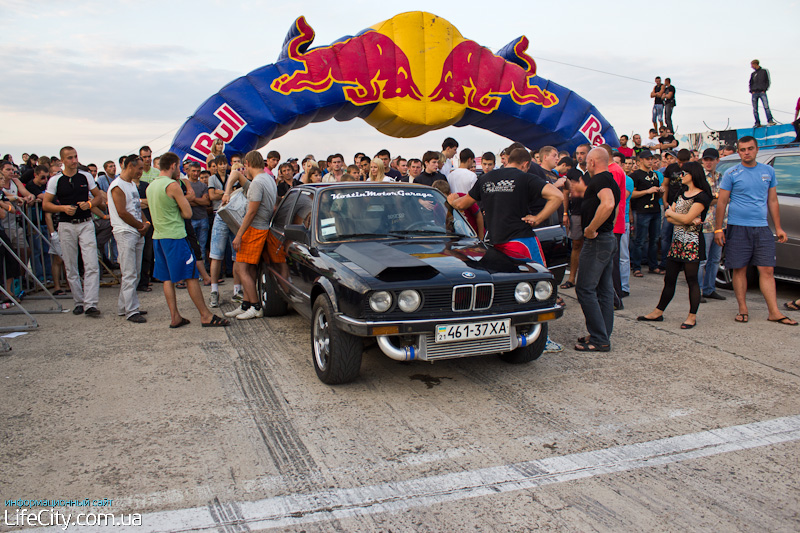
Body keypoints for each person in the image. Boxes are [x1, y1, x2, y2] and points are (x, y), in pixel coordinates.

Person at [714, 136, 796, 326]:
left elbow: (772, 200)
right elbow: (722, 202)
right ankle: (743, 308)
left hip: (762, 228)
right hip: (738, 227)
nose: (746, 152)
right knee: (740, 269)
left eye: (750, 149)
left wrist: (778, 227)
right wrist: (719, 229)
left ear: (756, 150)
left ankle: (774, 312)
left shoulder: (768, 171)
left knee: (767, 269)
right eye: (742, 150)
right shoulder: (732, 173)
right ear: (739, 151)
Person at [146, 152, 229, 328]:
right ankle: (205, 315)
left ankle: (175, 316)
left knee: (167, 278)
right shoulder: (172, 185)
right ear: (173, 166)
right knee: (191, 275)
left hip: (158, 237)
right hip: (175, 236)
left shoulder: (151, 186)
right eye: (179, 167)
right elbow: (188, 213)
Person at [638, 162, 712, 329]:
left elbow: (681, 218)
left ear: (693, 174)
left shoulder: (702, 196)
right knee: (669, 279)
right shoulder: (681, 192)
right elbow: (672, 219)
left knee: (692, 280)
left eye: (684, 173)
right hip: (677, 241)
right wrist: (678, 216)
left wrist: (675, 214)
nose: (681, 176)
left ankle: (692, 316)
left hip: (692, 243)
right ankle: (658, 311)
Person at [567, 148, 620, 351]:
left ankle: (599, 338)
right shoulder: (609, 179)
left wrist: (591, 228)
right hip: (606, 239)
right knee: (604, 289)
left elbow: (608, 205)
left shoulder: (600, 180)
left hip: (598, 241)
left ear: (591, 162)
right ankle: (602, 334)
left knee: (585, 288)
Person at [42, 146, 103, 316]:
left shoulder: (86, 176)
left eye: (75, 157)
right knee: (70, 265)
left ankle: (90, 303)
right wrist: (62, 208)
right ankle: (79, 301)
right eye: (70, 158)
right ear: (62, 161)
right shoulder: (55, 180)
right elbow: (46, 204)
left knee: (91, 263)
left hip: (85, 222)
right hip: (66, 224)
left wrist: (90, 204)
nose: (74, 160)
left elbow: (98, 196)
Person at [225, 151, 277, 320]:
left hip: (254, 229)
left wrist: (239, 234)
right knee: (248, 268)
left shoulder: (257, 183)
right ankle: (246, 304)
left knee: (240, 268)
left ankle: (255, 306)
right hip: (262, 227)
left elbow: (252, 211)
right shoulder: (268, 178)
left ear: (247, 163)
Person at [108, 154, 150, 323]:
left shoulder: (131, 184)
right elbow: (122, 212)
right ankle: (131, 311)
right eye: (139, 168)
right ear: (130, 166)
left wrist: (144, 221)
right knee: (129, 272)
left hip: (135, 231)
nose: (141, 171)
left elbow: (135, 206)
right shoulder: (117, 185)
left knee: (135, 272)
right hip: (125, 232)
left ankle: (124, 306)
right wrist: (140, 226)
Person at [697, 148, 727, 302]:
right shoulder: (700, 178)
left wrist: (715, 198)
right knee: (703, 259)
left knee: (715, 259)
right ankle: (698, 291)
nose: (708, 163)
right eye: (706, 160)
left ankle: (709, 289)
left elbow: (726, 198)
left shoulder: (721, 177)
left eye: (711, 160)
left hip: (719, 224)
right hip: (705, 223)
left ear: (717, 160)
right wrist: (717, 198)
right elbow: (703, 199)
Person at [559, 144, 590, 290]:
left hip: (592, 213)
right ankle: (572, 278)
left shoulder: (594, 171)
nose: (579, 156)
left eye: (582, 153)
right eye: (577, 153)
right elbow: (565, 193)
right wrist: (565, 213)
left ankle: (588, 280)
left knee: (590, 247)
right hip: (576, 213)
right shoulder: (572, 172)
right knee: (576, 245)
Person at [629, 150, 662, 277]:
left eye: (651, 159)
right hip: (642, 211)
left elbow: (657, 192)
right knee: (640, 240)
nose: (650, 161)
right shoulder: (635, 175)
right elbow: (631, 194)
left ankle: (653, 265)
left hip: (655, 209)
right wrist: (647, 191)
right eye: (647, 159)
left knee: (654, 240)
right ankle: (636, 266)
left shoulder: (655, 175)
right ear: (640, 160)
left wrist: (660, 191)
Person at [749, 60, 776, 127]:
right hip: (754, 93)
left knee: (766, 106)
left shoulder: (764, 71)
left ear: (755, 64)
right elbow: (750, 83)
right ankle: (757, 123)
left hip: (762, 92)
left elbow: (767, 81)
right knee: (755, 109)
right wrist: (751, 91)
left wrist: (765, 89)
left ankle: (770, 120)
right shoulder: (753, 74)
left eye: (752, 65)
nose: (751, 67)